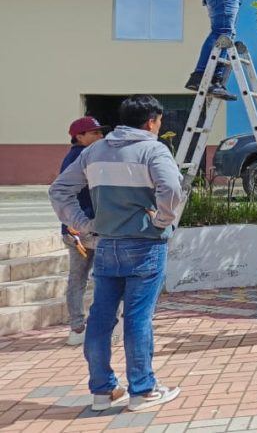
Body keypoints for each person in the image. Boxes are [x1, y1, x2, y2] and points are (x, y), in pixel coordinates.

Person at [49, 95, 184, 413]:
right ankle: (143, 390)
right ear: (152, 121)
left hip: (106, 243)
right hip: (145, 243)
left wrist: (83, 224)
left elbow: (58, 190)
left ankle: (103, 390)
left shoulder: (94, 151)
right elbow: (172, 188)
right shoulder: (153, 148)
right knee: (138, 318)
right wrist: (162, 220)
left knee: (100, 318)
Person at [58, 116, 107, 346]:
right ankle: (80, 327)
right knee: (86, 278)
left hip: (80, 226)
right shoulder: (80, 158)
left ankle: (78, 328)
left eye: (100, 132)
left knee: (79, 279)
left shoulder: (82, 156)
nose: (100, 136)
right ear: (79, 136)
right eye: (94, 133)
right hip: (82, 228)